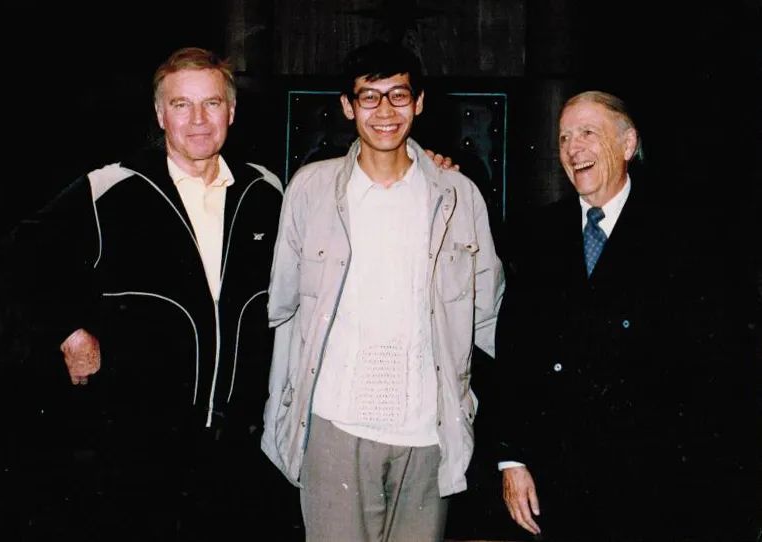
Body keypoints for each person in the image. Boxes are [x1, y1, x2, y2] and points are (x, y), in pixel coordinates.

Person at [4, 47, 300, 540]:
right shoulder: (112, 187)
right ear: (161, 114)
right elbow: (18, 258)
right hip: (138, 445)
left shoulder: (266, 191)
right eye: (182, 105)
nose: (198, 120)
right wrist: (70, 331)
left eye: (211, 103)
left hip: (240, 442)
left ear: (231, 110)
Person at [260, 40, 504, 541]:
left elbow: (488, 317)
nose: (385, 111)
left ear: (419, 103)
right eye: (369, 97)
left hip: (428, 434)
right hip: (333, 426)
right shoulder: (310, 189)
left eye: (398, 95)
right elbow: (282, 306)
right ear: (348, 107)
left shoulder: (459, 196)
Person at [494, 90, 757, 541]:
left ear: (628, 144)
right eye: (563, 138)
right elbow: (515, 353)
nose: (572, 149)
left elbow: (721, 367)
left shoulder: (686, 237)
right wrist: (512, 459)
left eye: (587, 134)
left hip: (656, 484)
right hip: (559, 483)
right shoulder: (535, 235)